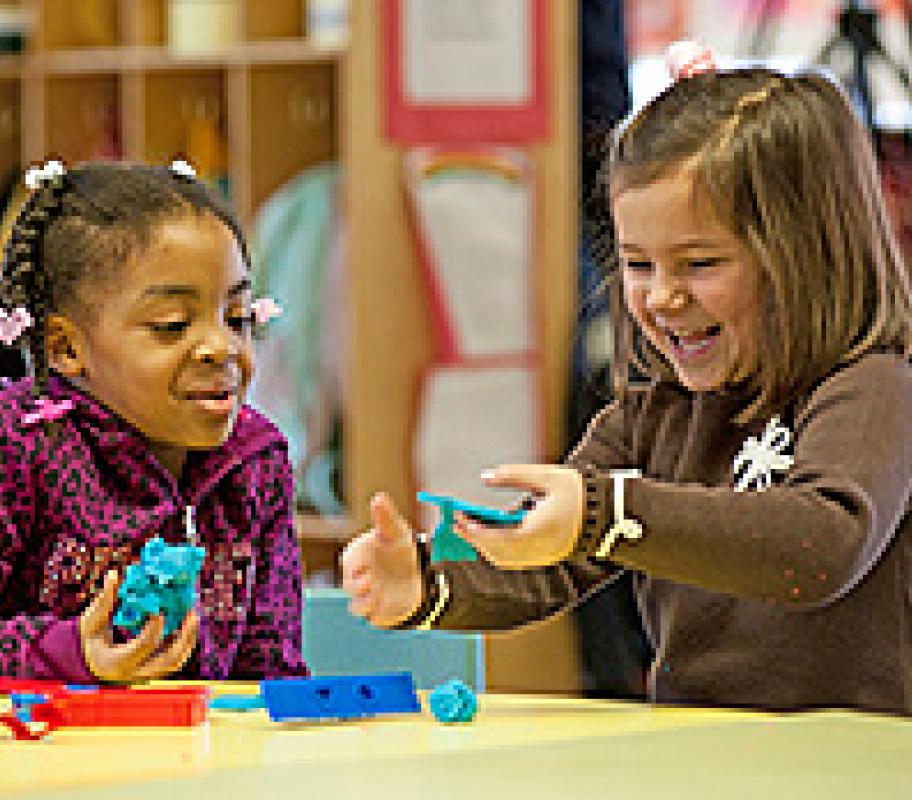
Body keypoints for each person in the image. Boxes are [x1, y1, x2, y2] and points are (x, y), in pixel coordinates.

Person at [341, 45, 912, 714]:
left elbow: (820, 545)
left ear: (806, 257)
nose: (662, 298)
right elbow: (548, 557)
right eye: (639, 265)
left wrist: (610, 513)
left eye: (699, 263)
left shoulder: (874, 388)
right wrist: (429, 586)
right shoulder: (647, 418)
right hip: (697, 757)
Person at [0, 160, 307, 684]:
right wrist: (67, 654)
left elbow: (271, 671)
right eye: (171, 326)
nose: (222, 348)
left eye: (236, 318)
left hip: (199, 760)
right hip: (30, 757)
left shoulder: (256, 460)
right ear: (66, 348)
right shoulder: (4, 442)